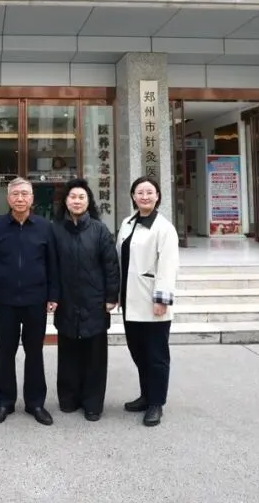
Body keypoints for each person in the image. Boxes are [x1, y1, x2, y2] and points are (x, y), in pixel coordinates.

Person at [0, 177, 60, 426]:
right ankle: (4, 402)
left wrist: (53, 294)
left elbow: (53, 263)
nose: (20, 198)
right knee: (5, 352)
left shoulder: (45, 227)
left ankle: (35, 403)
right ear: (8, 198)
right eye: (15, 194)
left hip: (36, 299)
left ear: (32, 198)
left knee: (34, 352)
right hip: (4, 300)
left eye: (25, 194)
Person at [52, 179, 120, 421]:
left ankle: (93, 403)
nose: (77, 201)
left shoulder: (100, 230)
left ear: (89, 201)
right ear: (65, 201)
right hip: (66, 301)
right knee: (68, 352)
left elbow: (111, 265)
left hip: (95, 301)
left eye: (81, 197)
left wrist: (111, 296)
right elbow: (51, 266)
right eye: (72, 197)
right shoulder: (56, 230)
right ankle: (69, 399)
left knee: (94, 356)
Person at [115, 175, 180, 427]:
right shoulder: (127, 223)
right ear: (133, 196)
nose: (144, 196)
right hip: (130, 300)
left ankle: (156, 403)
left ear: (157, 196)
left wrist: (162, 299)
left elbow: (168, 266)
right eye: (140, 192)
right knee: (138, 351)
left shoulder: (164, 228)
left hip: (152, 302)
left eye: (149, 192)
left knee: (156, 355)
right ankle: (145, 395)